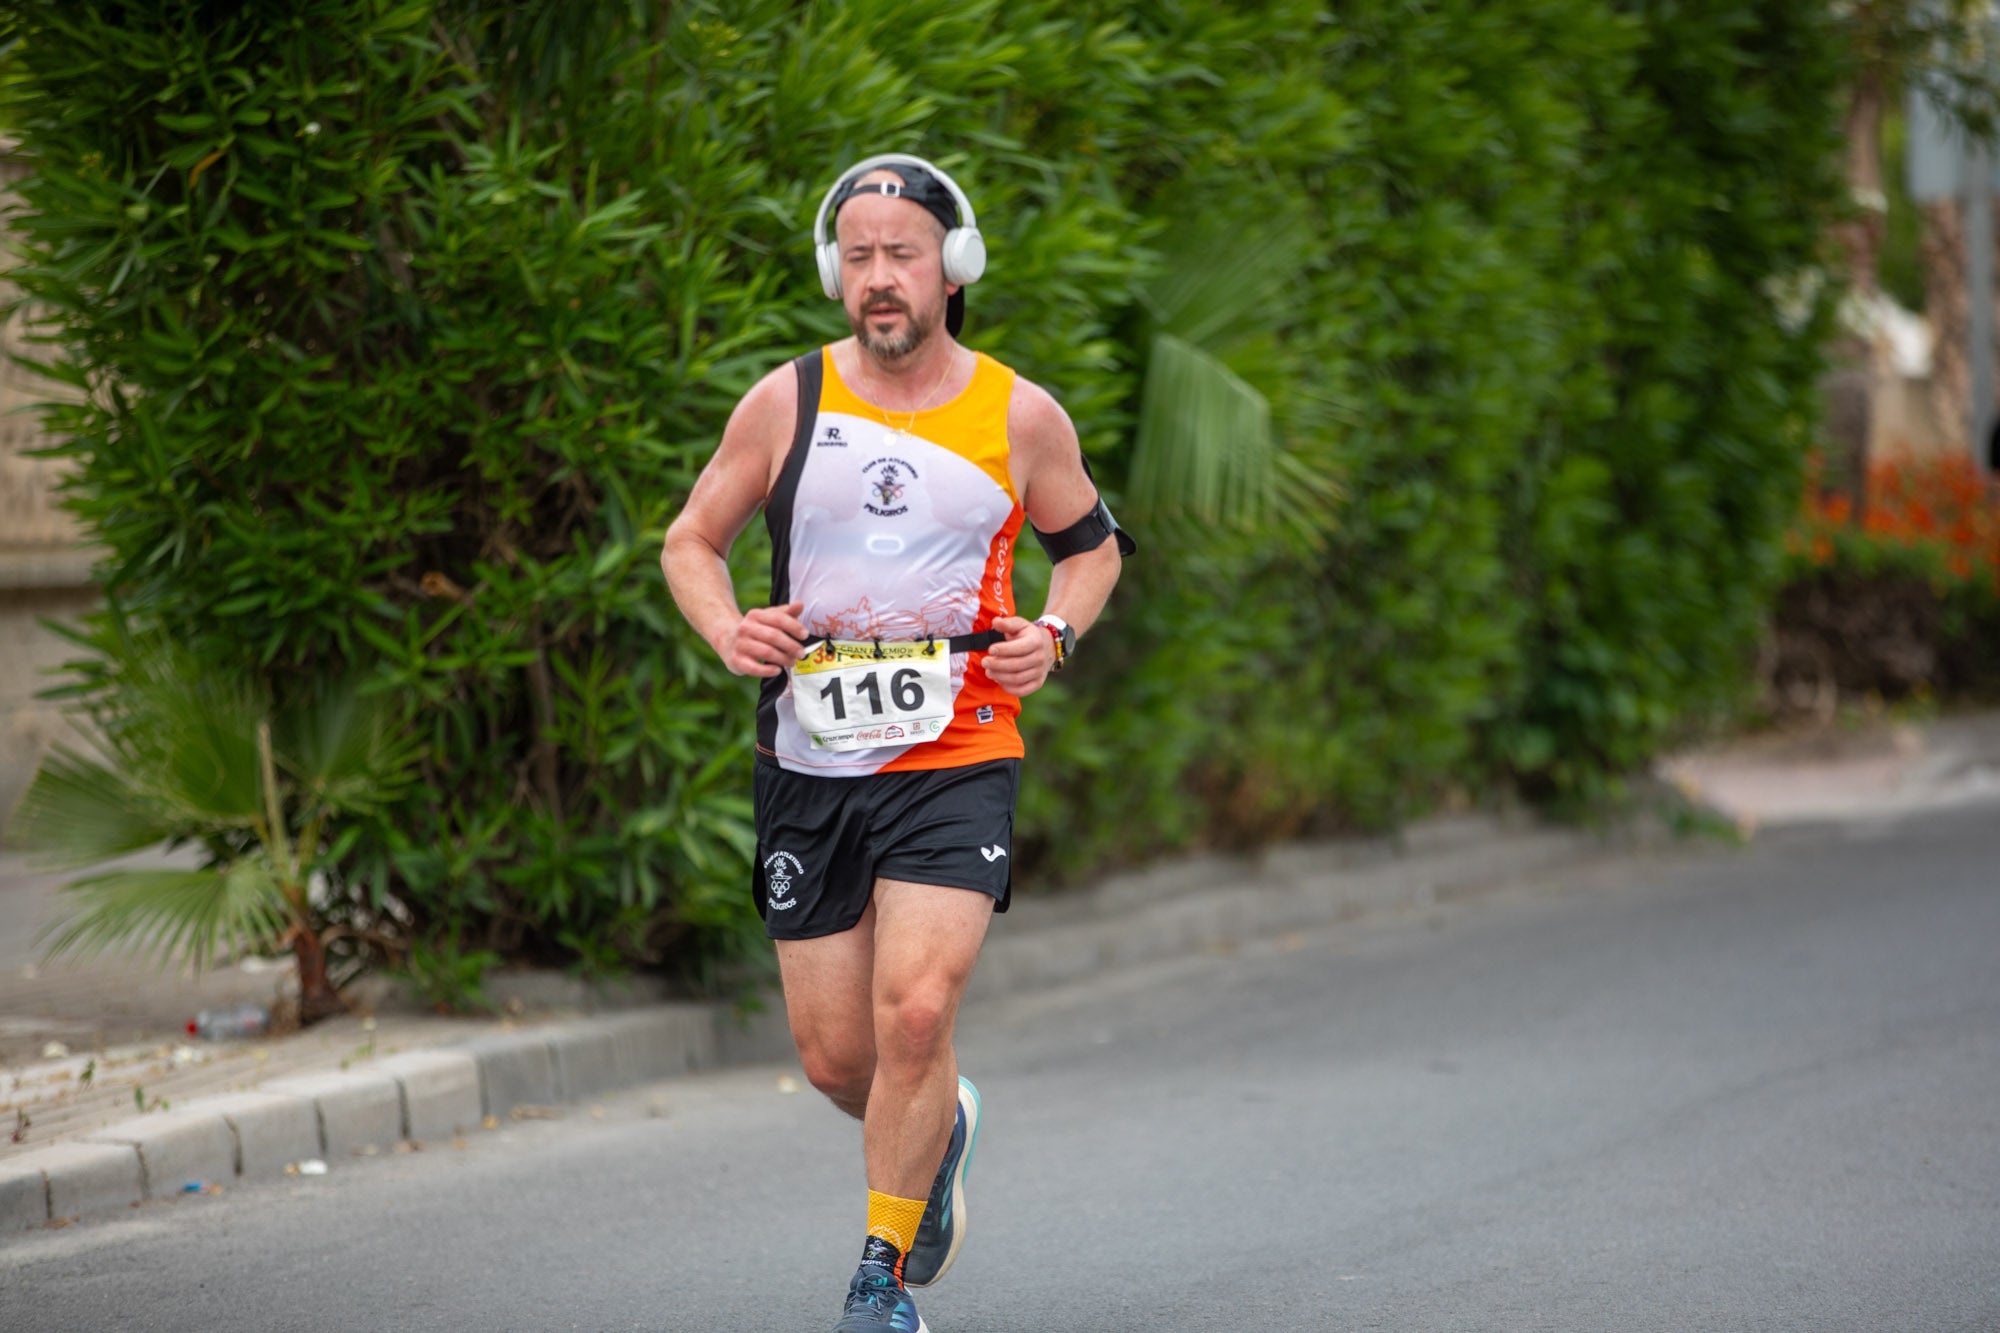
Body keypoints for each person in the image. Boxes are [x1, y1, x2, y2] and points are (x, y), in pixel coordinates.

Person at [661, 152, 1130, 1331]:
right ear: (834, 273)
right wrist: (728, 628)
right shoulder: (784, 402)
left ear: (950, 270)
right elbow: (688, 540)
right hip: (807, 756)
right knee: (834, 1057)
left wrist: (1055, 633)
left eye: (902, 256)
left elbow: (1093, 547)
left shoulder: (1019, 413)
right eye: (859, 257)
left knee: (914, 1011)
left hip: (959, 746)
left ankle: (879, 1278)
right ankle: (941, 1126)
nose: (881, 279)